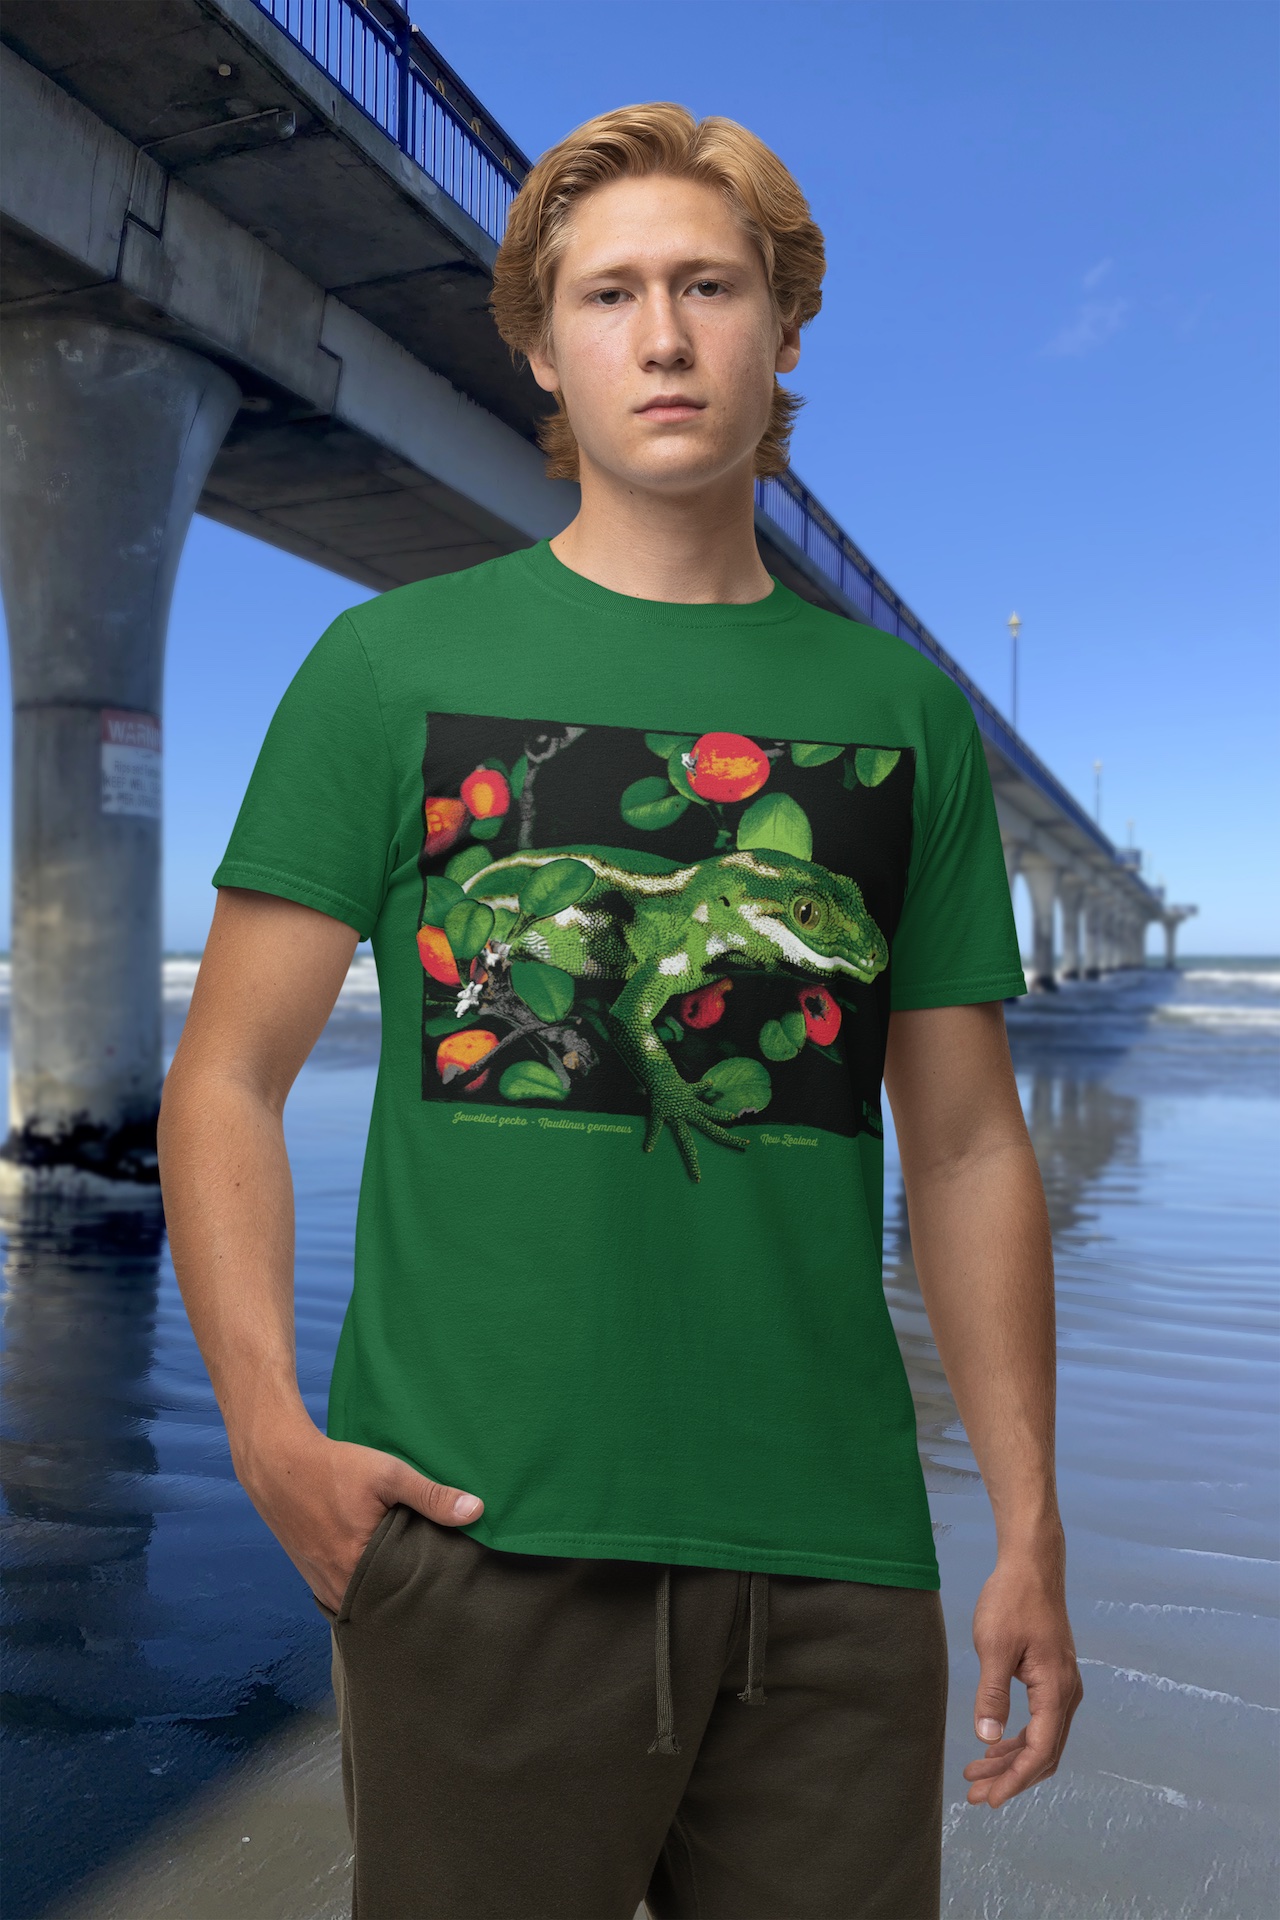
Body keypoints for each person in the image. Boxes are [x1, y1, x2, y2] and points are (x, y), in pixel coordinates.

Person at [158, 101, 1083, 1920]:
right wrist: (269, 1428)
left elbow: (970, 1142)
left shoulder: (900, 718)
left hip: (831, 1572)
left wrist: (1030, 1525)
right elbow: (228, 1077)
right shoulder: (388, 671)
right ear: (543, 348)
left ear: (782, 329)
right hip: (477, 1549)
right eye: (610, 296)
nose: (662, 337)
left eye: (708, 287)